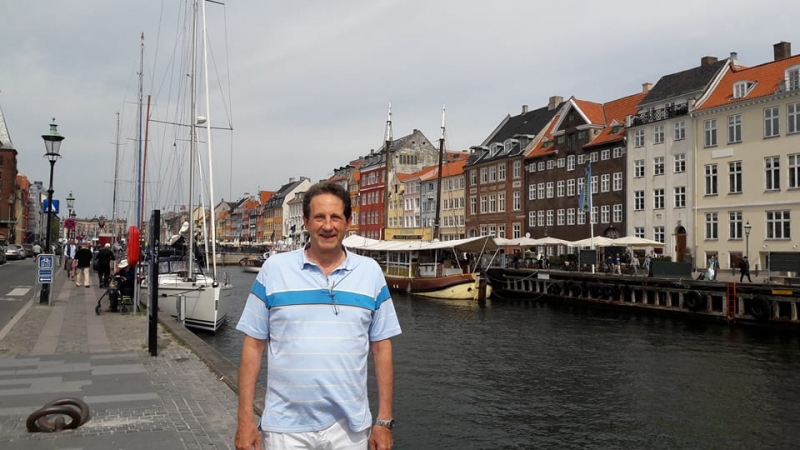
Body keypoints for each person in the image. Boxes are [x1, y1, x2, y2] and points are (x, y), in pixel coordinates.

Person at [234, 181, 401, 450]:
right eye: (319, 217)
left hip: (350, 430)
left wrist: (384, 422)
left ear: (348, 222)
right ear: (306, 222)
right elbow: (253, 345)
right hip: (285, 429)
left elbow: (382, 349)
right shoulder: (274, 270)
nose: (328, 226)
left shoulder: (370, 273)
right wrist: (244, 419)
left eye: (336, 217)